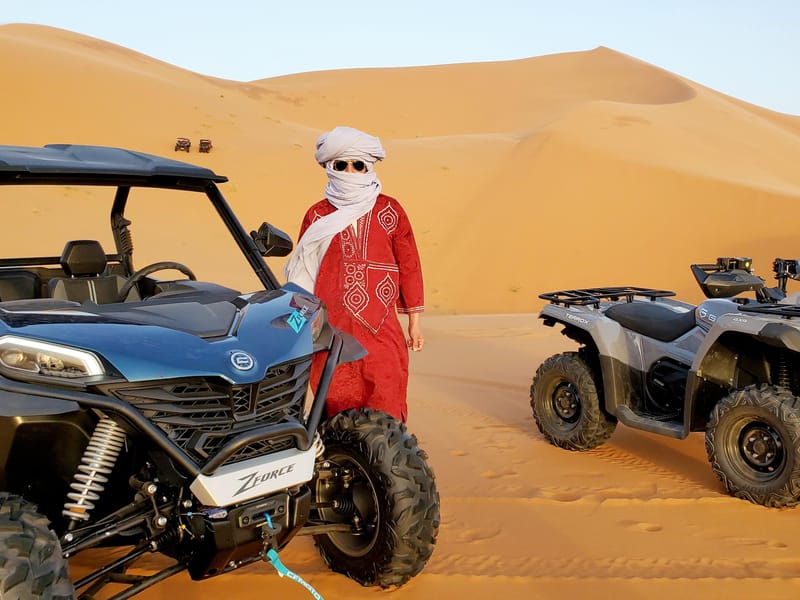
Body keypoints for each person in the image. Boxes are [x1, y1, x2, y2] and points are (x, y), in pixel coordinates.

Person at [284, 126, 424, 423]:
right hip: (331, 326)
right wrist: (294, 322)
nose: (350, 171)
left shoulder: (390, 210)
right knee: (334, 398)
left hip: (381, 326)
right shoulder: (318, 214)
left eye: (358, 165)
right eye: (341, 165)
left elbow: (409, 264)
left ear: (368, 167)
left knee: (386, 392)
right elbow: (302, 271)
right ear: (329, 167)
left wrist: (414, 322)